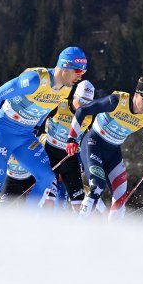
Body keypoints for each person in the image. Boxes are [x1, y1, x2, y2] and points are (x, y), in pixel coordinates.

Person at [0, 46, 88, 208]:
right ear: (65, 67)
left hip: (25, 136)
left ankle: (26, 222)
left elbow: (48, 105)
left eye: (84, 73)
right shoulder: (34, 80)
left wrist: (37, 126)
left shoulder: (66, 89)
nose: (80, 76)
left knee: (47, 178)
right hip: (4, 130)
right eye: (79, 71)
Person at [67, 75, 143, 218]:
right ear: (136, 94)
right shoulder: (117, 101)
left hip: (113, 152)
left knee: (121, 197)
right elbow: (82, 110)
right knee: (97, 186)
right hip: (94, 143)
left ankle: (112, 234)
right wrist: (72, 138)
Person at [34, 79, 96, 211]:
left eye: (88, 102)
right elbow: (40, 118)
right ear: (75, 96)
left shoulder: (90, 116)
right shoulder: (60, 104)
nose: (84, 105)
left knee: (78, 203)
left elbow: (91, 140)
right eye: (82, 100)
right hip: (50, 154)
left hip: (70, 158)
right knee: (48, 200)